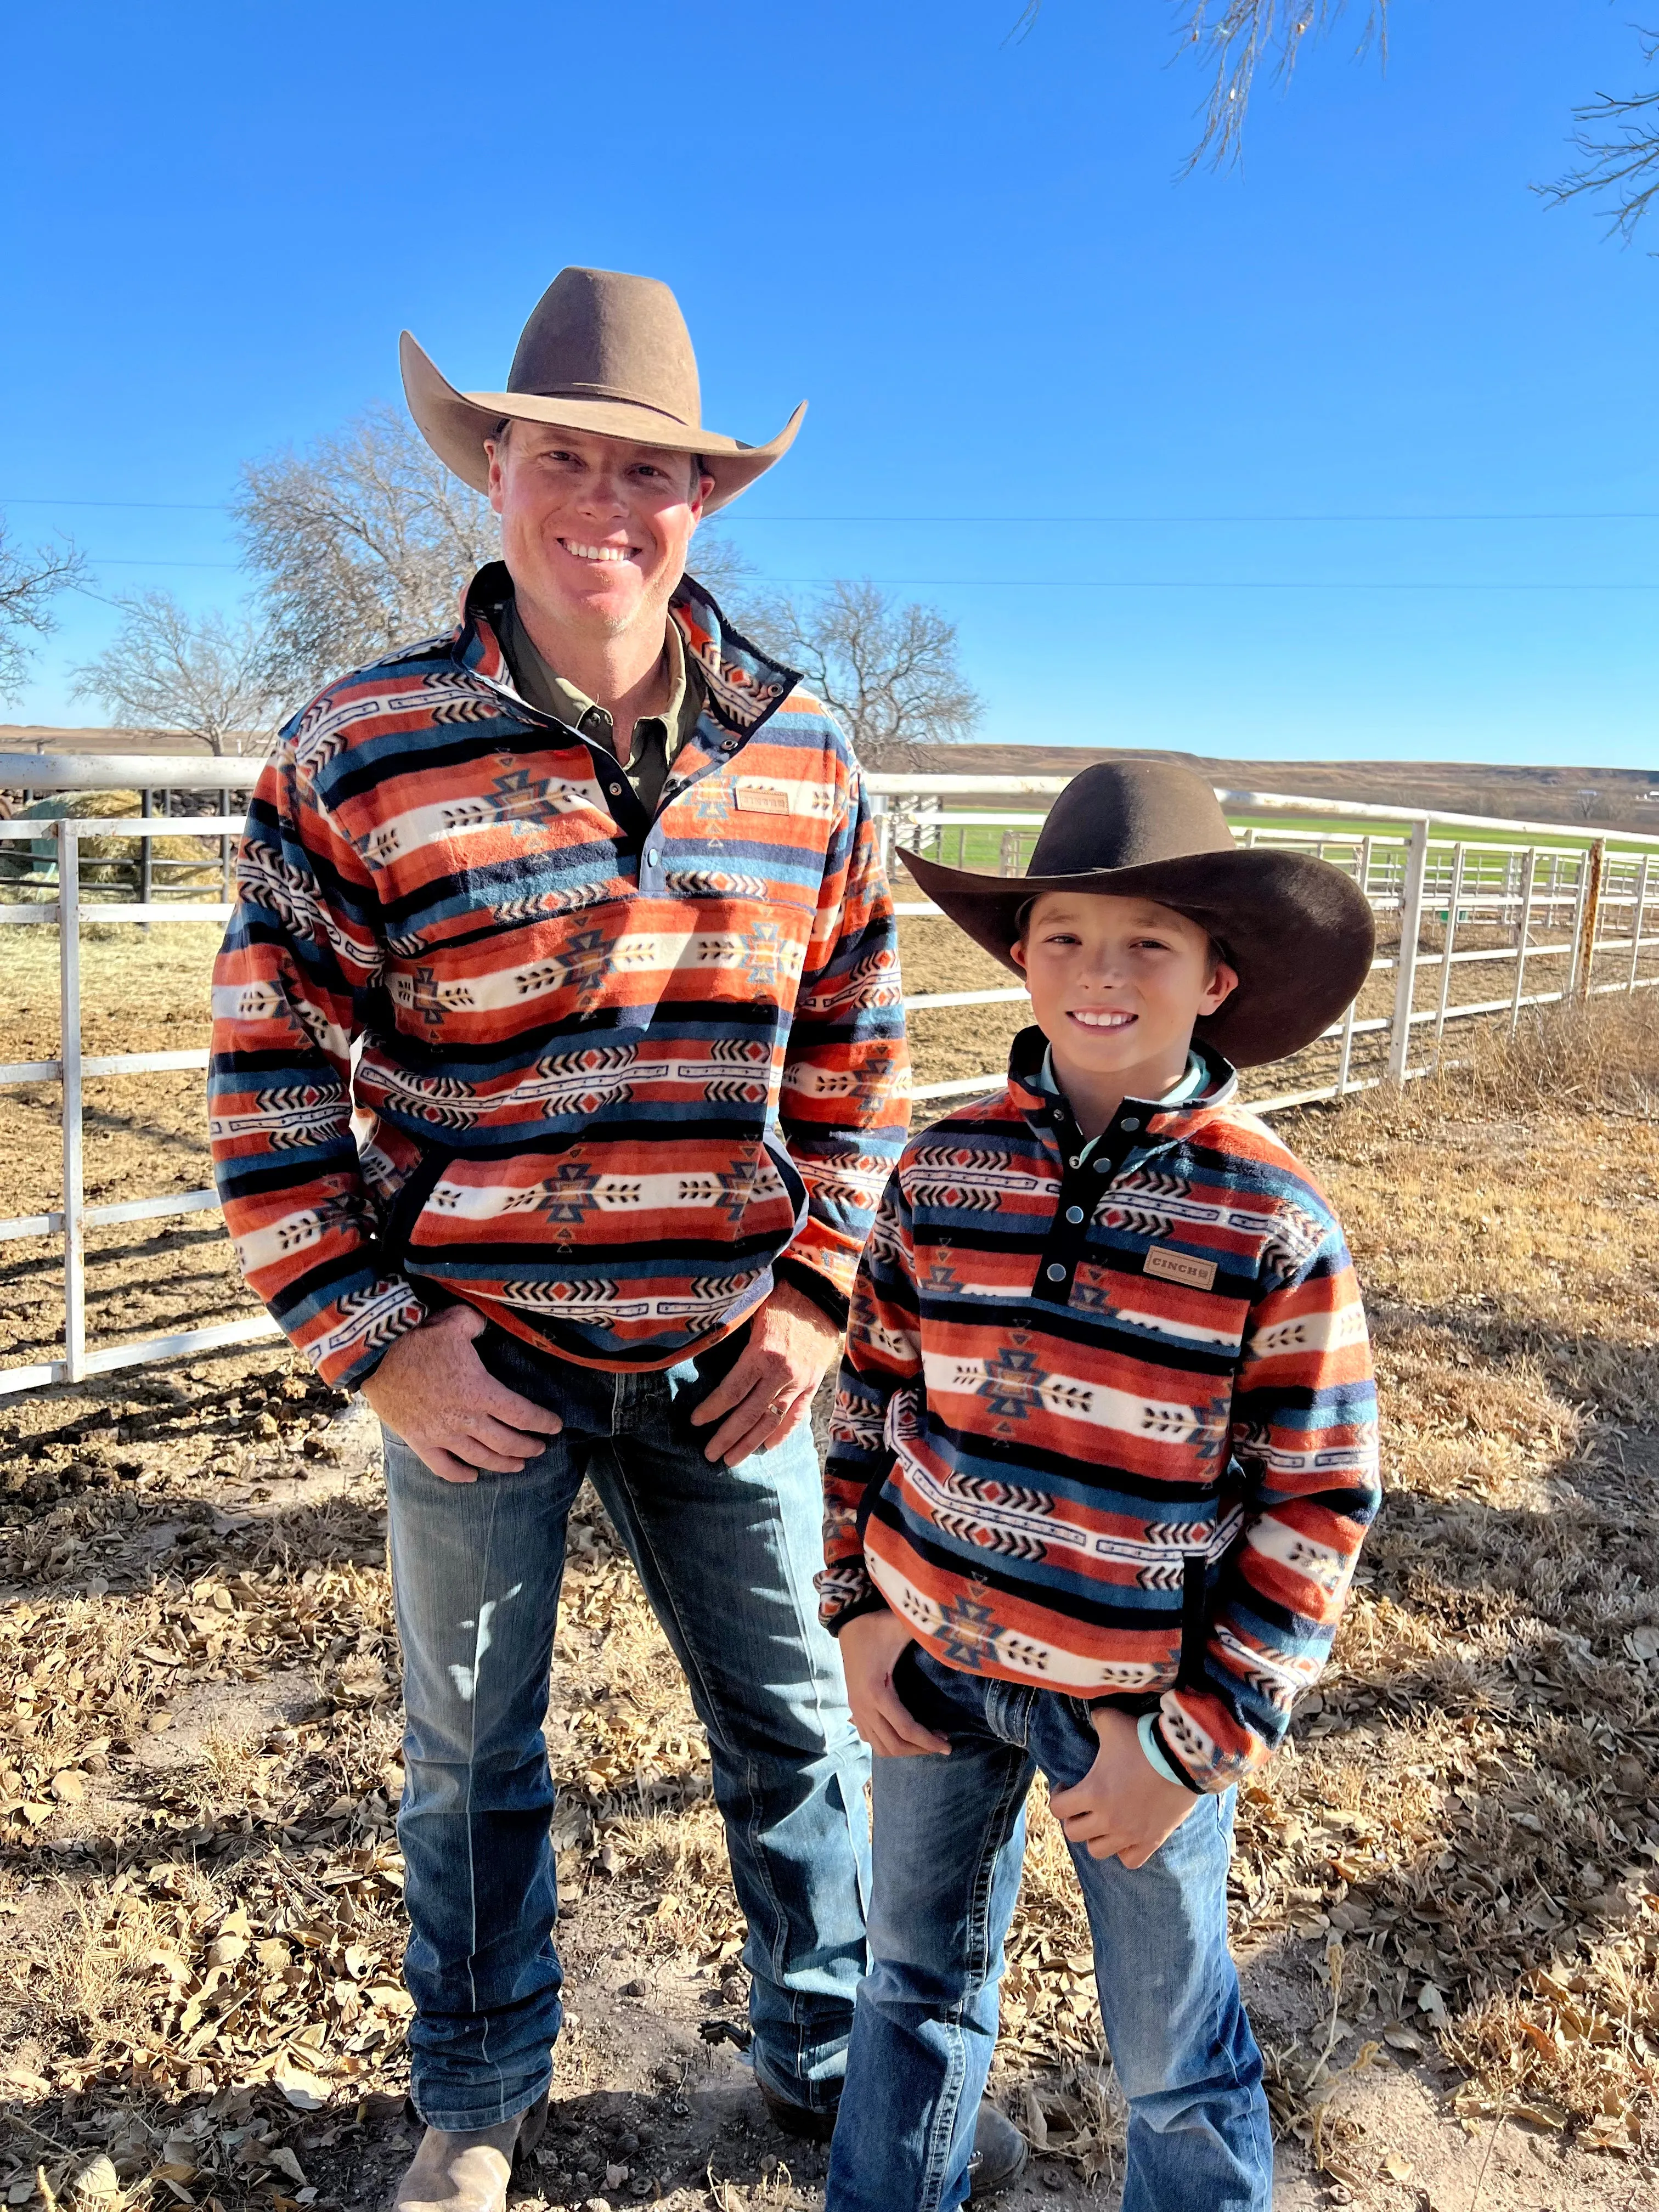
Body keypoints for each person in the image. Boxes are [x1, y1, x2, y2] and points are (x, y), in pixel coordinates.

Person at [211, 266, 961, 2212]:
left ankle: (823, 2059)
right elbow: (272, 1079)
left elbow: (859, 1065)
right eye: (565, 459)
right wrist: (378, 1340)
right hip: (480, 1357)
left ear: (700, 501)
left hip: (734, 1346)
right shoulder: (355, 753)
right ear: (495, 473)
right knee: (471, 1748)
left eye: (648, 474)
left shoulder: (806, 757)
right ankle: (474, 2095)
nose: (603, 509)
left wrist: (813, 1297)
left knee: (796, 1721)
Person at [817, 760, 1383, 2212]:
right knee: (909, 1992)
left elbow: (1317, 1504)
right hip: (930, 1660)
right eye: (1065, 935)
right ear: (1022, 957)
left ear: (1217, 978)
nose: (1101, 973)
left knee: (1172, 2055)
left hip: (1133, 1709)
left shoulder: (1272, 1222)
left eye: (1150, 945)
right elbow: (871, 1393)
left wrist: (1194, 1746)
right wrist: (858, 1611)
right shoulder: (942, 1173)